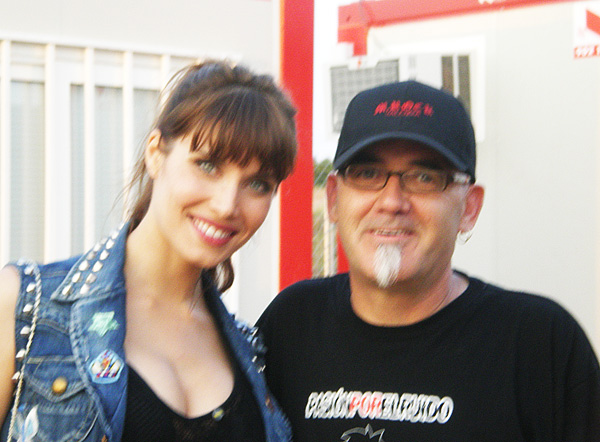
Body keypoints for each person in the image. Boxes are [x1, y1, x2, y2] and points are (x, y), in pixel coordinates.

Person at [257, 80, 600, 441]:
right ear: (333, 199)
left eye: (424, 178)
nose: (392, 202)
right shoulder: (291, 326)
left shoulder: (539, 345)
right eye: (368, 174)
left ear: (469, 208)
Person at [0, 60, 297, 442]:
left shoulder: (251, 351)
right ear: (155, 153)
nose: (227, 205)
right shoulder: (26, 306)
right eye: (207, 165)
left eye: (257, 184)